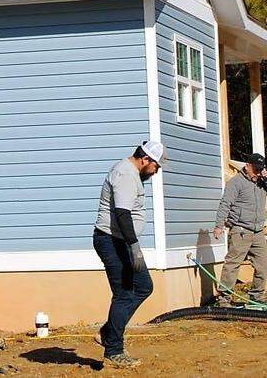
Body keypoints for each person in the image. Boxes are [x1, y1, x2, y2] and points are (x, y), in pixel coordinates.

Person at [93, 140, 164, 369]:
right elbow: (123, 214)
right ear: (146, 159)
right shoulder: (125, 173)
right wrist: (134, 247)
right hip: (112, 241)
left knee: (143, 285)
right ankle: (114, 350)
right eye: (156, 166)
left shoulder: (132, 174)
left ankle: (108, 331)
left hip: (122, 241)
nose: (155, 172)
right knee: (123, 293)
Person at [213, 152, 267, 304]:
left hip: (257, 232)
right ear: (247, 166)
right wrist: (219, 225)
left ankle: (257, 296)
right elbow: (225, 204)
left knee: (263, 264)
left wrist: (266, 177)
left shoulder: (262, 182)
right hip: (240, 230)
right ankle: (224, 298)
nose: (258, 172)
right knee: (232, 264)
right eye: (256, 169)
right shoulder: (236, 183)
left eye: (260, 169)